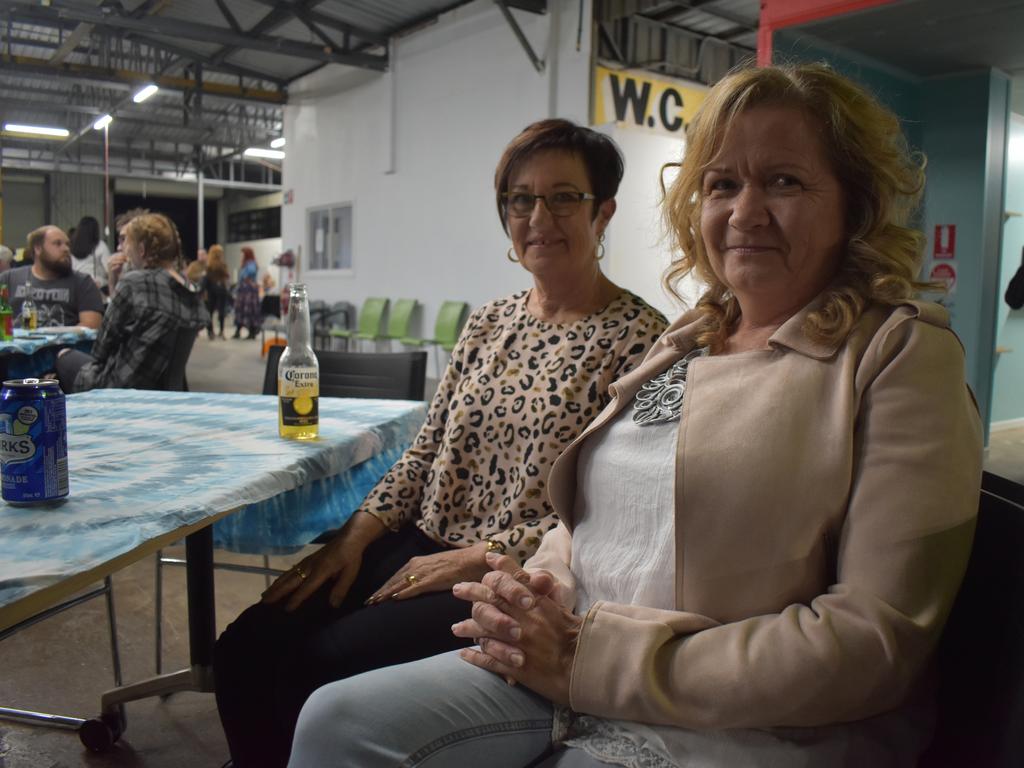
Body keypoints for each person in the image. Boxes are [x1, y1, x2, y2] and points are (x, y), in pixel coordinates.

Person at [288, 64, 984, 768]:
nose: (745, 213)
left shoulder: (894, 356)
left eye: (784, 181)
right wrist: (537, 589)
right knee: (335, 720)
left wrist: (588, 659)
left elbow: (875, 640)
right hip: (572, 661)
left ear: (853, 205)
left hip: (744, 717)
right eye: (722, 185)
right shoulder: (690, 343)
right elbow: (604, 506)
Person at [213, 119, 669, 768]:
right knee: (244, 649)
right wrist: (357, 536)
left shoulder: (639, 341)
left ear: (604, 212)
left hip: (513, 570)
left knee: (318, 666)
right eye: (520, 198)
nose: (539, 216)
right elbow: (426, 451)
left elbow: (615, 511)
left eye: (564, 196)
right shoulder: (489, 320)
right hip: (418, 538)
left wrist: (479, 558)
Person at [54, 213, 208, 392]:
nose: (123, 249)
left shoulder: (135, 282)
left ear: (141, 249)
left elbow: (100, 350)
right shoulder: (191, 289)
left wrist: (116, 283)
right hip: (169, 390)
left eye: (127, 243)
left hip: (122, 386)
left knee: (63, 356)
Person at [0, 226, 103, 328]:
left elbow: (91, 326)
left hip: (64, 344)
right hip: (15, 343)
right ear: (38, 248)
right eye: (58, 244)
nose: (66, 249)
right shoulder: (8, 279)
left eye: (67, 244)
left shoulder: (83, 283)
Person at [107, 207, 149, 296]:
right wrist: (113, 279)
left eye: (124, 239)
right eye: (120, 240)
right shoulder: (126, 269)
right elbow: (117, 307)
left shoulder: (158, 276)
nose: (118, 248)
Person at [69, 215, 113, 293]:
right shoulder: (100, 245)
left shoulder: (71, 246)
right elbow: (109, 269)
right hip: (96, 286)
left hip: (76, 287)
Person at [202, 244, 231, 340]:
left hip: (211, 290)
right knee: (221, 311)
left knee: (210, 311)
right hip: (222, 290)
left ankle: (210, 331)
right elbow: (227, 276)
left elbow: (206, 279)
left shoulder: (209, 265)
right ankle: (221, 331)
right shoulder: (223, 265)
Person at [232, 247, 261, 339]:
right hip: (244, 290)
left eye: (243, 254)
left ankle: (251, 332)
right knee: (241, 310)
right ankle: (238, 331)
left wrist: (246, 278)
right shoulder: (248, 264)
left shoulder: (250, 264)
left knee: (248, 311)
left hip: (248, 290)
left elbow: (250, 273)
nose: (241, 256)